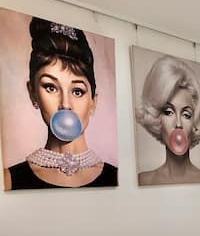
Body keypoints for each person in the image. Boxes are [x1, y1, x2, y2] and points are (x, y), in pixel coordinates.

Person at [3, 17, 118, 190]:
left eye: (77, 91)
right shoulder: (9, 180)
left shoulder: (117, 177)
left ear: (93, 102)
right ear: (33, 94)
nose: (65, 104)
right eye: (51, 88)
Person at [135, 55, 200, 185]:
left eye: (186, 115)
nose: (178, 124)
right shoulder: (144, 180)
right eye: (169, 112)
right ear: (157, 118)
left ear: (194, 122)